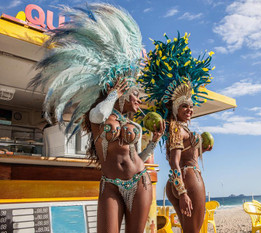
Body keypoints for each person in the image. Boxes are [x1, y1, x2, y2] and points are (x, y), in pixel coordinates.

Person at [28, 4, 164, 232]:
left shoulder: (130, 123)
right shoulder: (100, 114)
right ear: (121, 90)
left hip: (140, 180)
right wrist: (113, 94)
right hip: (110, 183)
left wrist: (153, 143)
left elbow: (136, 155)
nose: (138, 98)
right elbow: (97, 114)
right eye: (134, 94)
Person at [139, 32, 214, 233]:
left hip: (184, 177)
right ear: (175, 109)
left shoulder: (181, 128)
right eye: (184, 107)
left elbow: (185, 155)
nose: (189, 110)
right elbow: (174, 162)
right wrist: (182, 193)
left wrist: (201, 150)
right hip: (187, 179)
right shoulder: (175, 128)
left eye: (191, 106)